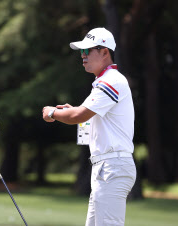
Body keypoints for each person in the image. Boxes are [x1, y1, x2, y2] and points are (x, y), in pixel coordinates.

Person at [42, 27, 136, 226]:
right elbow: (85, 116)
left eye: (87, 51)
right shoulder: (103, 81)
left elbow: (78, 116)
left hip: (112, 167)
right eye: (81, 52)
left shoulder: (111, 81)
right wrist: (76, 111)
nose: (82, 56)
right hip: (106, 167)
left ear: (104, 52)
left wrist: (52, 112)